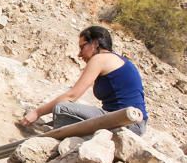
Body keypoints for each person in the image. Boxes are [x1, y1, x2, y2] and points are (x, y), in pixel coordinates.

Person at [18, 25, 149, 135]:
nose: (79, 54)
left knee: (62, 108)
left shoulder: (100, 59)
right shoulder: (115, 59)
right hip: (130, 123)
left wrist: (37, 112)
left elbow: (72, 96)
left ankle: (57, 138)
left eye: (82, 47)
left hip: (127, 122)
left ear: (95, 43)